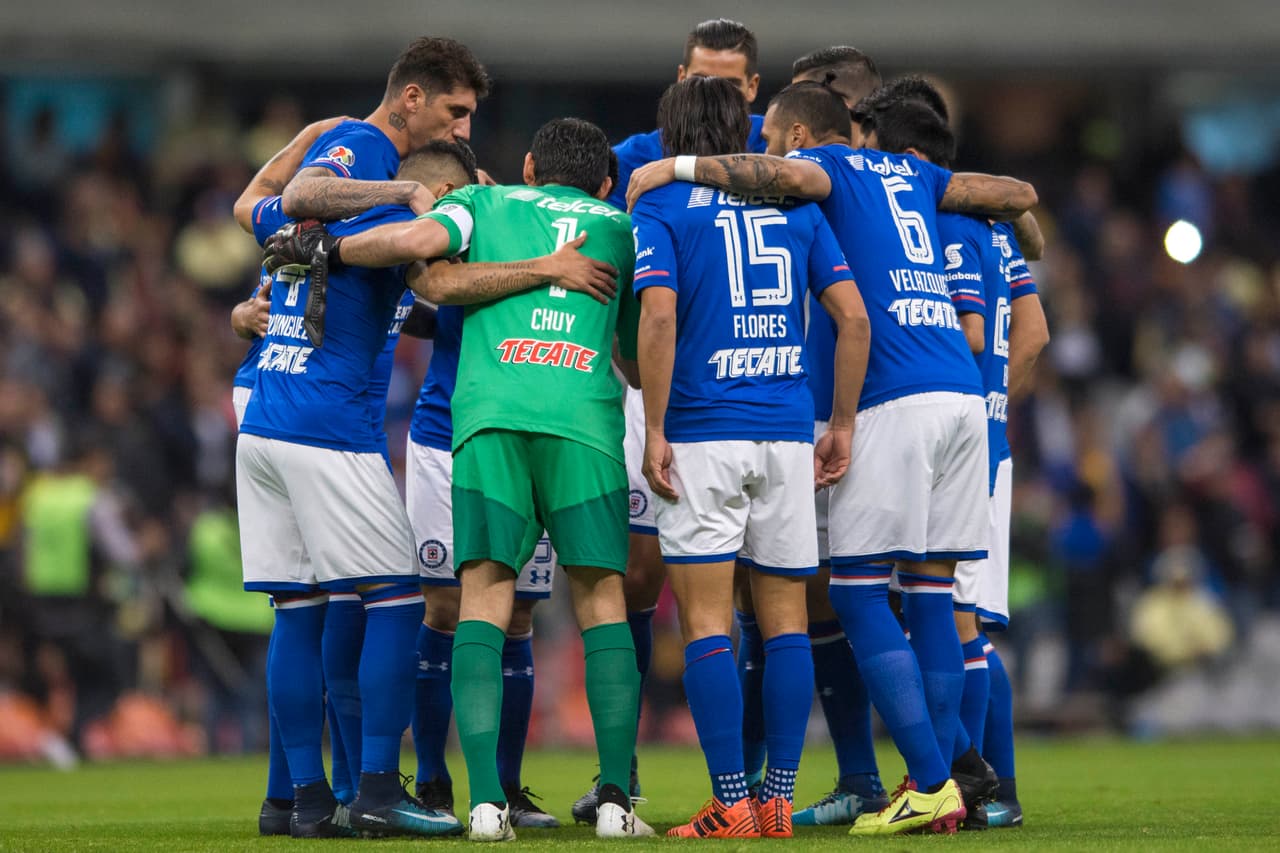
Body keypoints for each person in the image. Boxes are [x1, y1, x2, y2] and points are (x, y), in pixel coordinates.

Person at [626, 81, 1037, 836]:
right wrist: (1028, 235)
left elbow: (663, 308)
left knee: (811, 603)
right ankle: (809, 793)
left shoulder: (808, 182)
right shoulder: (903, 182)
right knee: (916, 595)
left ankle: (905, 782)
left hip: (780, 416)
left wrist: (676, 169)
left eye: (780, 139)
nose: (776, 152)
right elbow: (1013, 194)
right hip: (937, 402)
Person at [266, 118, 650, 842]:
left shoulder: (485, 203)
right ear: (605, 182)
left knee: (482, 597)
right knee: (602, 598)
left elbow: (421, 265)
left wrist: (327, 249)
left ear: (529, 164)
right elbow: (636, 349)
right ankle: (613, 802)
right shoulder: (625, 226)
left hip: (487, 421)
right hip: (585, 424)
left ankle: (482, 804)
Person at [632, 75, 870, 839]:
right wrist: (838, 421)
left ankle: (731, 800)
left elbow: (660, 312)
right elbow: (853, 316)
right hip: (784, 429)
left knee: (706, 622)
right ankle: (777, 800)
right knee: (787, 623)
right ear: (746, 127)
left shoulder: (660, 204)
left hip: (704, 429)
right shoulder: (794, 203)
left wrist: (655, 426)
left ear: (670, 135)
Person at [578, 21, 769, 822]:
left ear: (753, 89)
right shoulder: (628, 158)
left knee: (766, 593)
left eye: (726, 84)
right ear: (677, 74)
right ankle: (618, 773)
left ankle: (758, 782)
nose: (711, 96)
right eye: (699, 79)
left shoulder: (778, 152)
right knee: (641, 577)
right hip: (645, 395)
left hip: (757, 391)